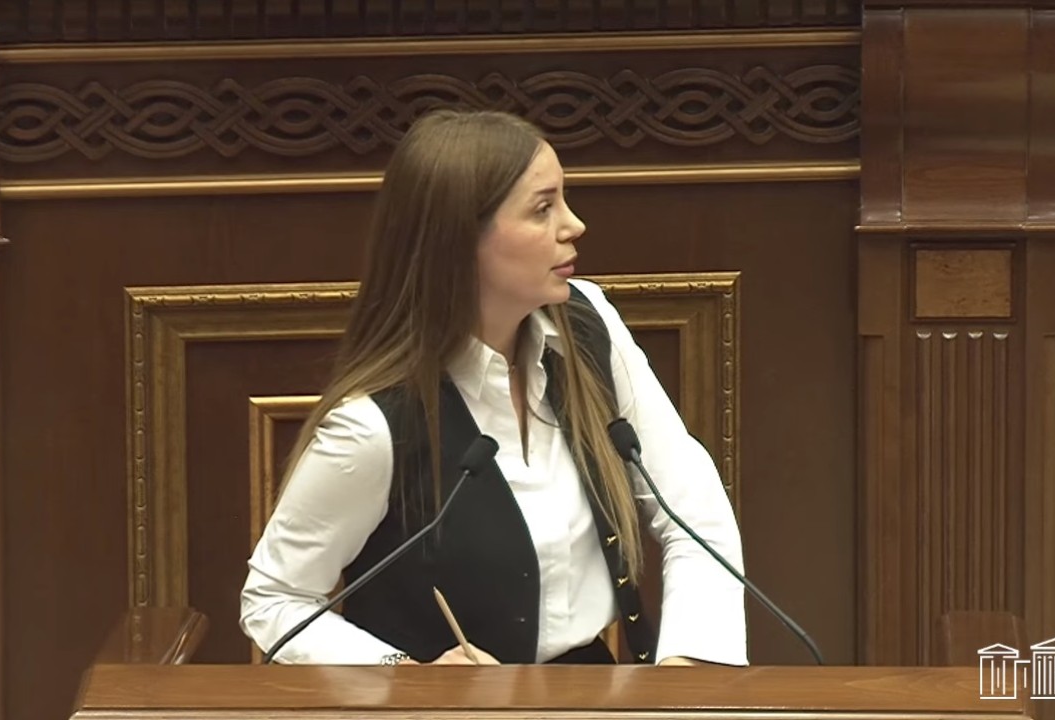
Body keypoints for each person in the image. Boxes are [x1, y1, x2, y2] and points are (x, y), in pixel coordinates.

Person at [240, 108, 747, 667]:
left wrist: (690, 666)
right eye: (543, 208)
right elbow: (275, 600)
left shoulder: (588, 327)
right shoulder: (373, 426)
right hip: (442, 706)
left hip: (592, 689)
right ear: (461, 239)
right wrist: (404, 676)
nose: (574, 225)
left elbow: (692, 508)